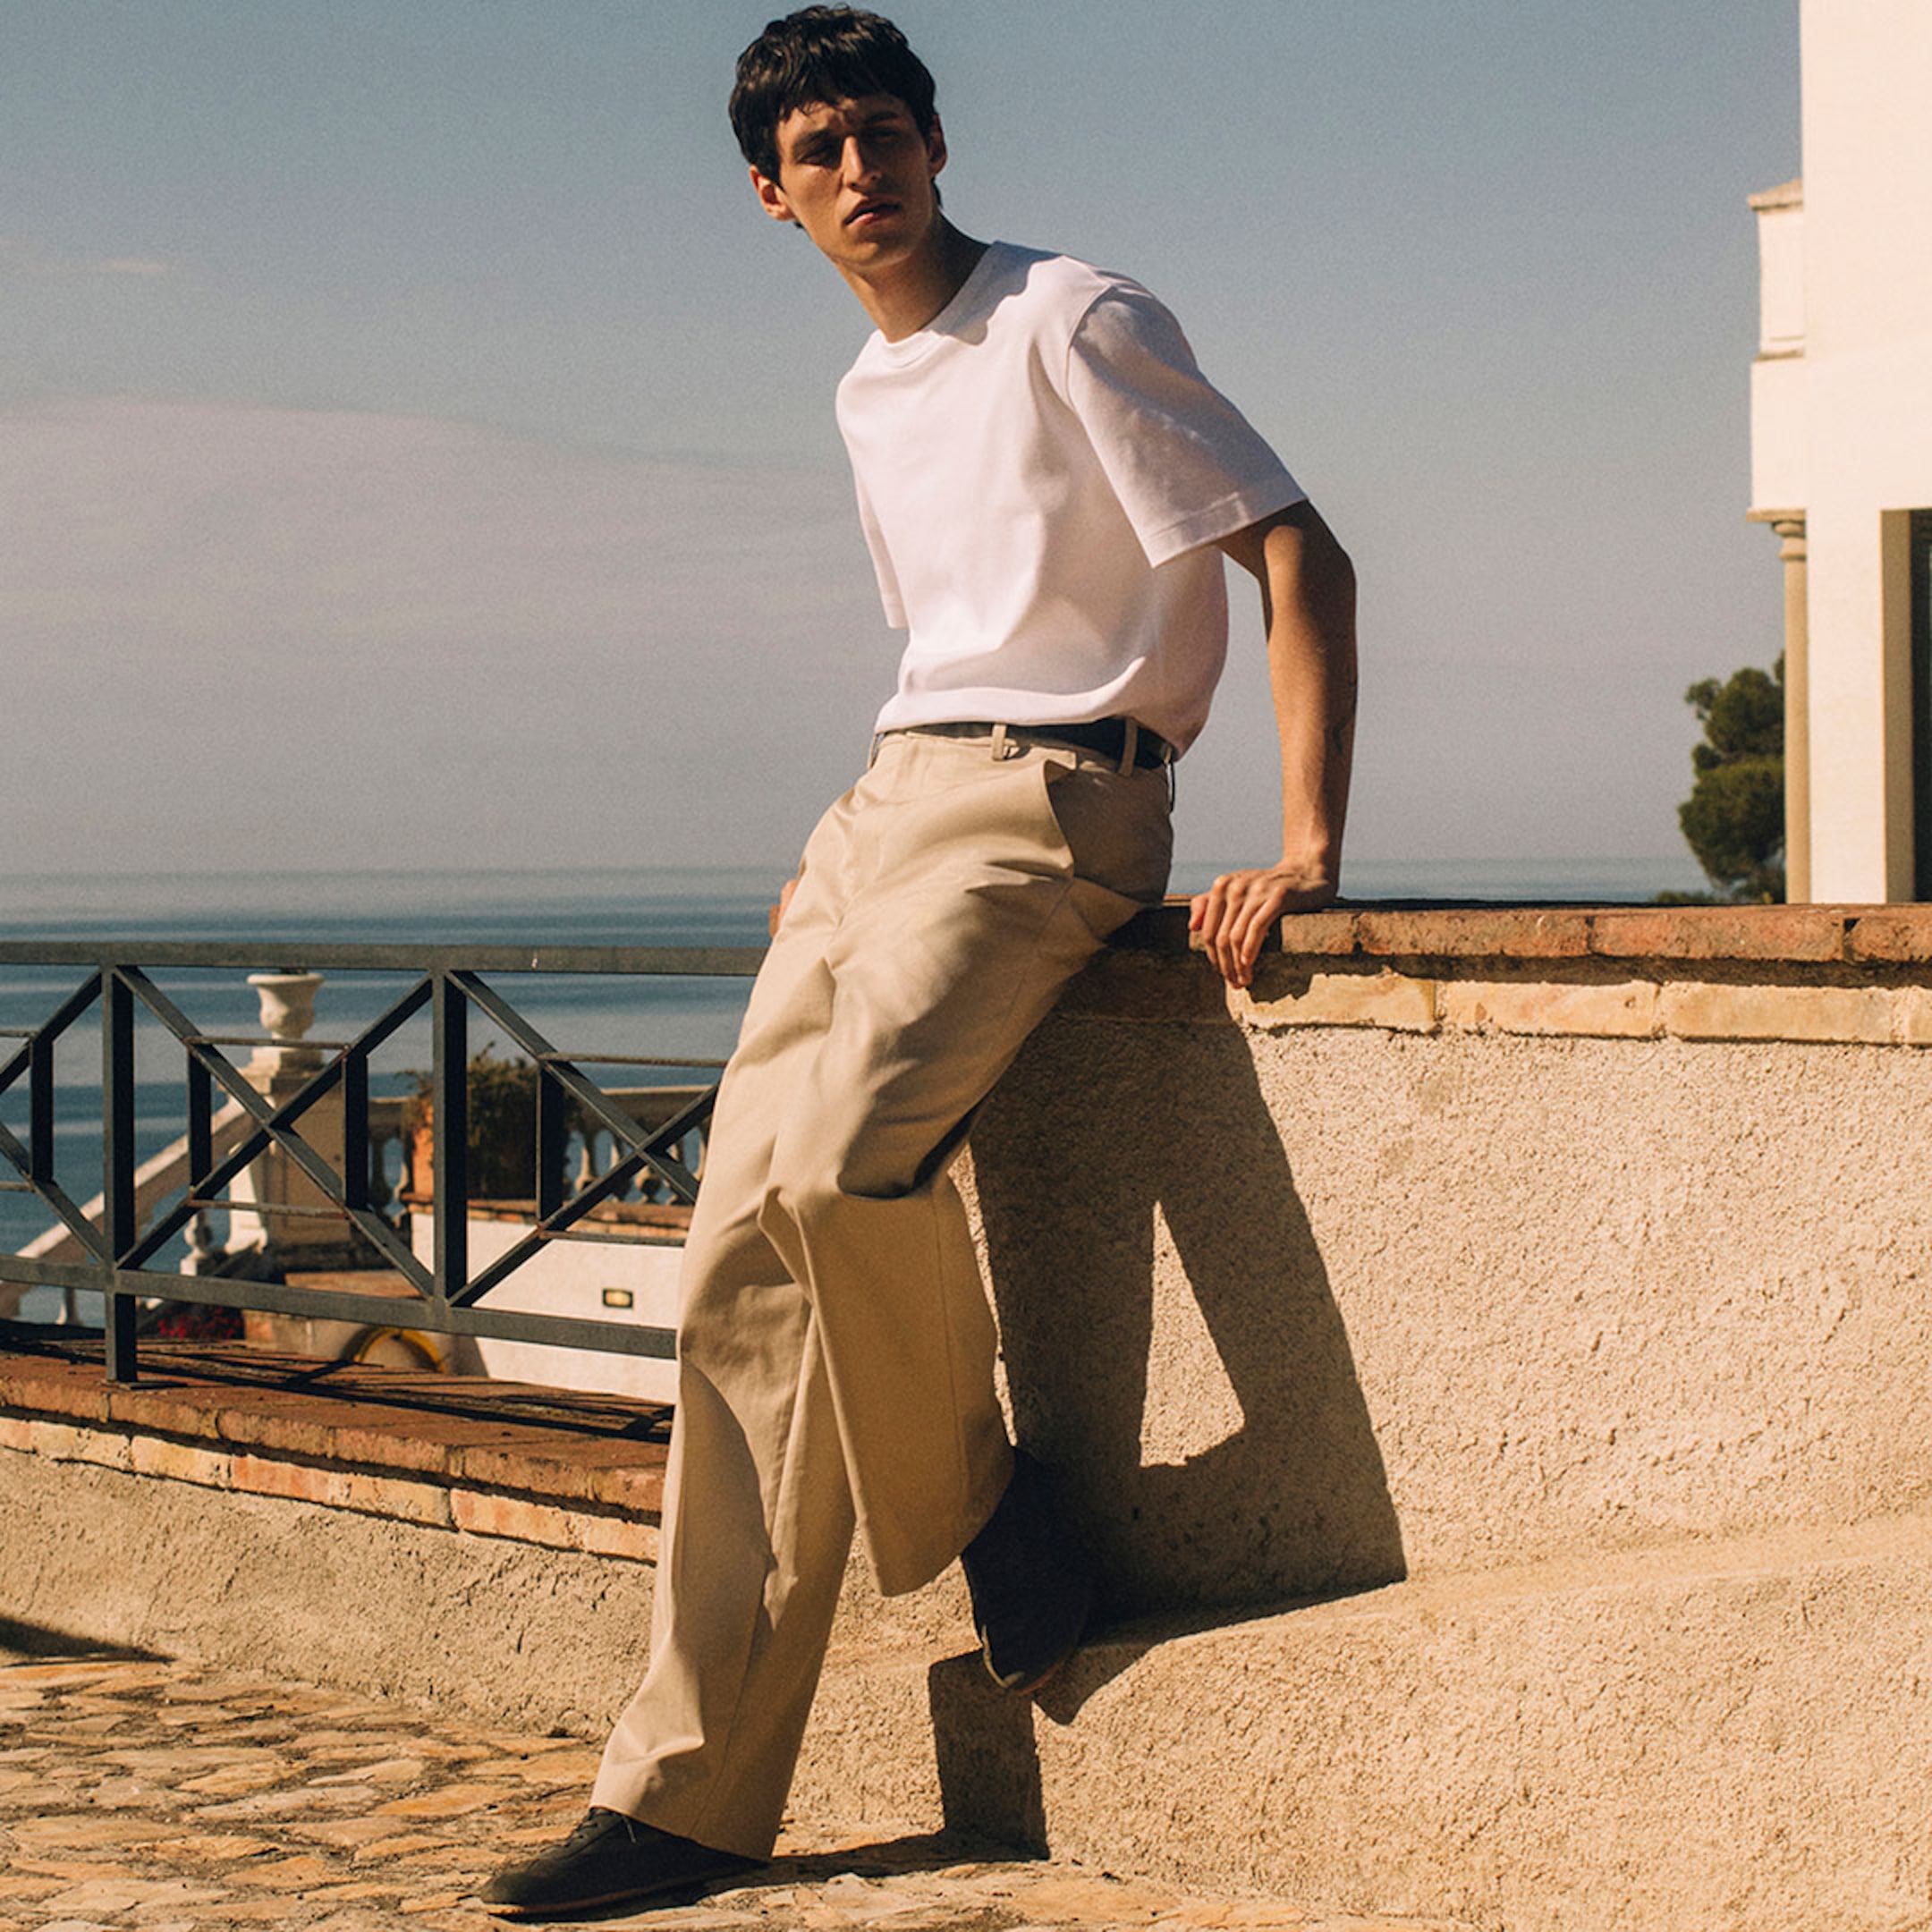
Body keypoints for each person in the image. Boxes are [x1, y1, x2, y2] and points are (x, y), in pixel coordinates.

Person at [481, 6, 1356, 1916]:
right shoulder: (869, 394)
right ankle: (686, 1798)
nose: (860, 174)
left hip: (1063, 795)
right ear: (769, 197)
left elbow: (1300, 555)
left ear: (936, 143)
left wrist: (1308, 850)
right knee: (731, 1257)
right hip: (887, 794)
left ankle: (983, 1507)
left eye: (885, 133)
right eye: (819, 155)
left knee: (825, 1167)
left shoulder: (1072, 313)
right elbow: (945, 640)